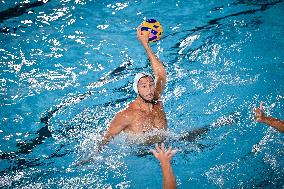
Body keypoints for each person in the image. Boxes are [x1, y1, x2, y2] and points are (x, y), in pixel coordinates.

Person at [100, 26, 167, 146]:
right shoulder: (126, 115)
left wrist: (146, 45)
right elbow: (105, 139)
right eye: (144, 86)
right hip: (142, 154)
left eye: (151, 85)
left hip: (165, 144)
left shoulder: (156, 99)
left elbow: (161, 74)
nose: (149, 90)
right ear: (137, 90)